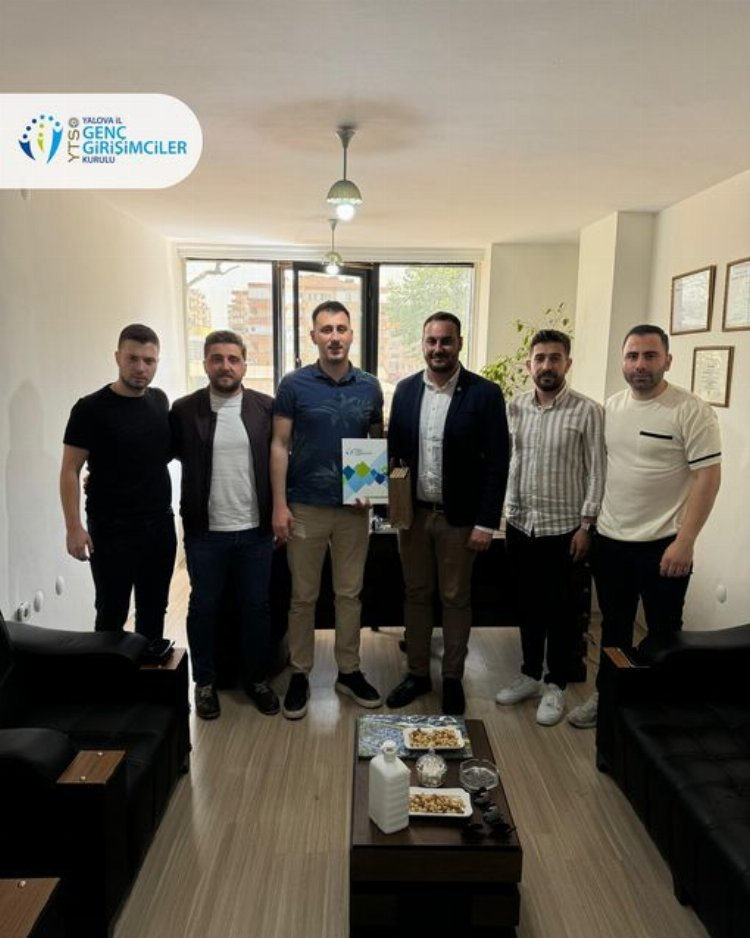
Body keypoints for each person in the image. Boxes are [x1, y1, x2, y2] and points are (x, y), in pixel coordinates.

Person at [568, 324, 722, 729]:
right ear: (623, 361)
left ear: (667, 361)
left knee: (664, 631)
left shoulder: (690, 410)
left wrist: (686, 541)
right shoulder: (612, 408)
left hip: (665, 545)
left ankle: (659, 704)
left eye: (650, 356)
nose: (640, 364)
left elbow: (707, 477)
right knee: (614, 628)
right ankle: (610, 695)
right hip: (612, 542)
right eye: (632, 356)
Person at [385, 312, 509, 715]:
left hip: (460, 519)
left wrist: (486, 522)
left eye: (446, 341)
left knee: (455, 597)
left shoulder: (485, 394)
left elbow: (498, 462)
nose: (438, 348)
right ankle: (417, 673)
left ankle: (452, 677)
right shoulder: (405, 391)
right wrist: (385, 502)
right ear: (423, 344)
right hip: (414, 516)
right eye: (431, 341)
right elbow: (393, 453)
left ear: (459, 344)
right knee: (416, 594)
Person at [271, 300, 384, 720]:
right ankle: (300, 672)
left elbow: (375, 440)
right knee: (303, 596)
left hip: (353, 510)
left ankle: (348, 671)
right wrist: (279, 505)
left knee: (349, 594)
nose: (334, 337)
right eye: (326, 330)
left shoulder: (370, 386)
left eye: (341, 329)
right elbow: (279, 444)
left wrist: (370, 487)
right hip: (305, 505)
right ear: (313, 336)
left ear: (351, 334)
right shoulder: (293, 385)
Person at [494, 330, 605, 725]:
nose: (546, 365)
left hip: (565, 529)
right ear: (529, 364)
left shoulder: (588, 411)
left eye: (555, 358)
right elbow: (508, 463)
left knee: (561, 611)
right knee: (527, 606)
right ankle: (529, 674)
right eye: (539, 358)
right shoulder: (515, 407)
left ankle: (555, 684)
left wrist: (587, 525)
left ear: (567, 363)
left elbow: (597, 471)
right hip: (521, 524)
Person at [170, 330, 279, 720]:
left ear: (245, 364)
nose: (225, 366)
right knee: (203, 608)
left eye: (233, 359)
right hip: (205, 533)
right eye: (217, 358)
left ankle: (258, 680)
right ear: (205, 364)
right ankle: (204, 683)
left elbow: (284, 457)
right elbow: (153, 455)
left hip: (255, 532)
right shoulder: (184, 411)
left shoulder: (266, 408)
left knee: (256, 608)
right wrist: (101, 475)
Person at [60, 323, 176, 643]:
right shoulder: (89, 409)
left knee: (154, 610)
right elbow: (70, 470)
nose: (140, 368)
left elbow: (154, 453)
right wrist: (73, 528)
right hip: (111, 528)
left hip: (159, 524)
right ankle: (110, 676)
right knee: (111, 611)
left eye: (149, 361)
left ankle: (147, 673)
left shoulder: (159, 401)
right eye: (132, 358)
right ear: (117, 357)